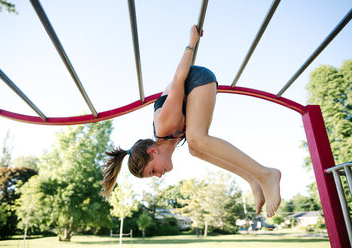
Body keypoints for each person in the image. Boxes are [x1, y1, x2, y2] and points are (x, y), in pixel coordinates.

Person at [102, 25, 281, 217]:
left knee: (195, 139)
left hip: (196, 78)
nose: (159, 175)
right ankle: (252, 179)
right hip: (193, 93)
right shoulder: (171, 138)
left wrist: (191, 43)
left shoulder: (165, 124)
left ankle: (266, 174)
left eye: (153, 170)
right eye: (153, 175)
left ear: (152, 151)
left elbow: (179, 78)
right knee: (195, 149)